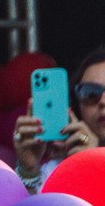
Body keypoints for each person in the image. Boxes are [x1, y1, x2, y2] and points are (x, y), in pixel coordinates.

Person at [13, 45, 105, 192]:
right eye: (90, 93)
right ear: (76, 105)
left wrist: (93, 165)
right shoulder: (57, 171)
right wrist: (28, 169)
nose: (103, 102)